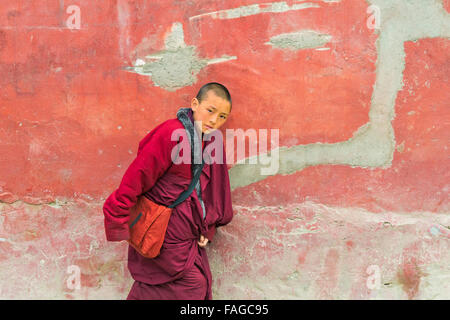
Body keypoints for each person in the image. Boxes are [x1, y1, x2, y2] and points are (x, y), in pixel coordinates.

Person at [102, 82, 233, 300]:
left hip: (188, 231)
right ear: (195, 104)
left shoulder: (211, 142)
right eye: (210, 111)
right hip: (163, 229)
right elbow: (137, 176)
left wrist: (207, 227)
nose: (214, 121)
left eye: (222, 117)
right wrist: (118, 216)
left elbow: (210, 191)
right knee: (192, 285)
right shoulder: (171, 133)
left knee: (191, 284)